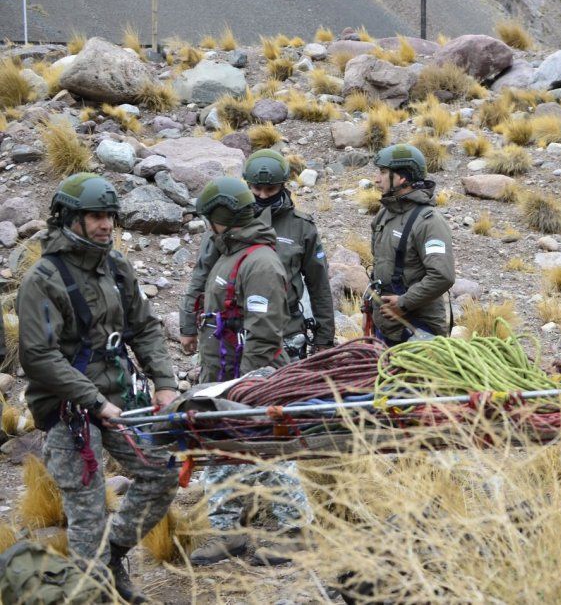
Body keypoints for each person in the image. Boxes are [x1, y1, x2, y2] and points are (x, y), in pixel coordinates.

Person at [17, 173, 180, 603]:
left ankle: (112, 557)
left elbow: (143, 327)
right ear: (70, 218)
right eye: (95, 216)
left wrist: (164, 383)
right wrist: (93, 401)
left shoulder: (115, 266)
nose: (106, 224)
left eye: (110, 215)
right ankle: (96, 593)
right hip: (68, 410)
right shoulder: (43, 279)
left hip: (121, 398)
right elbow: (38, 357)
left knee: (161, 473)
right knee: (87, 512)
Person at [186, 177, 312, 566]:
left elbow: (264, 333)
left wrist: (244, 388)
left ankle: (293, 533)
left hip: (248, 378)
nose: (208, 224)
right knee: (223, 451)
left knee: (270, 453)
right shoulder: (229, 253)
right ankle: (229, 533)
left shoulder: (259, 263)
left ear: (223, 216)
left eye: (211, 217)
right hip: (222, 374)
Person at [179, 149, 335, 360]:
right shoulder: (227, 220)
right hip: (231, 329)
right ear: (247, 185)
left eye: (270, 189)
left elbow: (319, 284)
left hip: (285, 329)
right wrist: (188, 325)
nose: (263, 195)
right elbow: (202, 273)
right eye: (257, 189)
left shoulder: (302, 227)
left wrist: (324, 338)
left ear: (283, 185)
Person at [368, 143, 455, 343]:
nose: (376, 179)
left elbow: (443, 276)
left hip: (419, 330)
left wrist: (404, 302)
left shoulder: (429, 222)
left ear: (402, 177)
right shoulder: (384, 214)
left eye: (383, 172)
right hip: (387, 326)